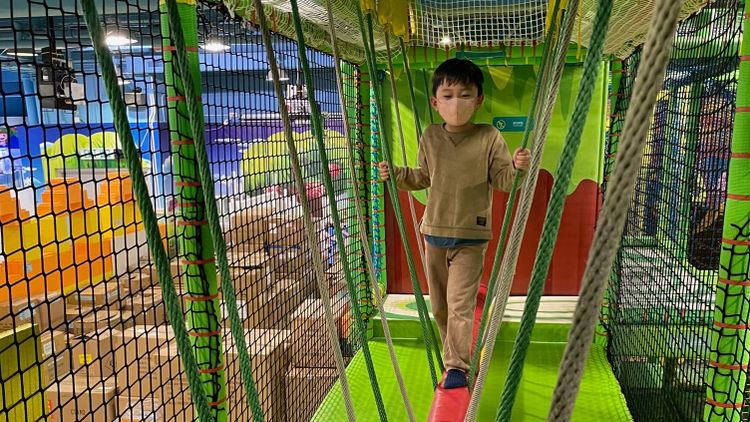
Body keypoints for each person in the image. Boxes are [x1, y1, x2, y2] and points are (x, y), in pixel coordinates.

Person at [379, 58, 531, 389]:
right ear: (435, 102)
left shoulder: (489, 137)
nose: (456, 103)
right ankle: (453, 353)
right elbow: (422, 177)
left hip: (471, 237)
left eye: (465, 95)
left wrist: (519, 168)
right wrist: (398, 174)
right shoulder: (431, 135)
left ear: (478, 100)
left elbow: (504, 180)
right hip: (433, 234)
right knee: (440, 307)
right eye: (447, 95)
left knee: (460, 304)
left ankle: (457, 365)